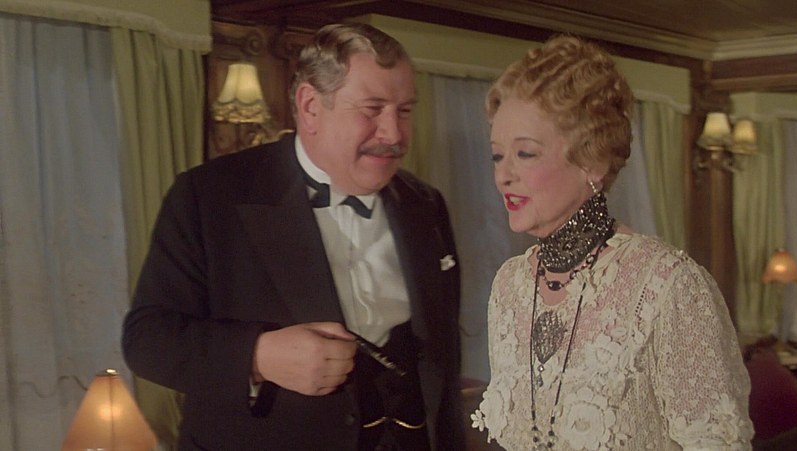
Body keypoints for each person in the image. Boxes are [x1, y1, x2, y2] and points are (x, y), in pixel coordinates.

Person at [122, 22, 463, 450]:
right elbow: (147, 340)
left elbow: (443, 361)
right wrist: (258, 356)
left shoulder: (425, 204)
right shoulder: (208, 196)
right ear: (310, 106)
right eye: (372, 109)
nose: (394, 134)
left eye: (405, 111)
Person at [470, 35, 754, 450]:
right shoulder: (509, 286)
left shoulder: (669, 286)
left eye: (525, 154)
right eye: (498, 155)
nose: (503, 176)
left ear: (593, 160)